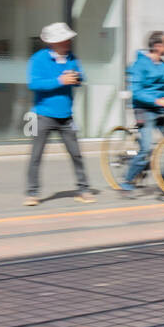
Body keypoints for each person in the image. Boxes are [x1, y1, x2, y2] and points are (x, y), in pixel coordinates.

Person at [25, 22, 98, 206]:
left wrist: (77, 78)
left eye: (69, 39)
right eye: (65, 40)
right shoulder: (38, 59)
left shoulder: (72, 58)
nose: (69, 42)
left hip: (66, 116)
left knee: (76, 154)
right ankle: (32, 193)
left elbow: (81, 78)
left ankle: (83, 189)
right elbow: (34, 84)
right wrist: (60, 80)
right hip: (42, 115)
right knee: (36, 155)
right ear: (54, 42)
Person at [118, 30, 164, 193]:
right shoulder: (139, 65)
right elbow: (136, 92)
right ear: (158, 46)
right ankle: (127, 180)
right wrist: (158, 100)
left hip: (160, 109)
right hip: (143, 109)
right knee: (146, 149)